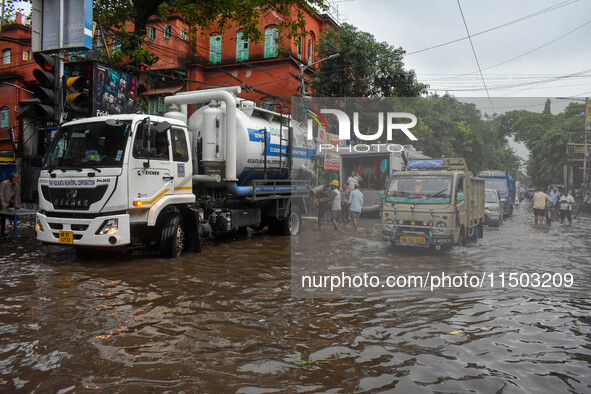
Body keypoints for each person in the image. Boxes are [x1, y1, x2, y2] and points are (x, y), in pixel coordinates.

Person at [0, 173, 21, 237]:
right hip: (1, 202)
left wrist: (16, 205)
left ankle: (2, 232)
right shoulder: (4, 183)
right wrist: (3, 203)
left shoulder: (16, 186)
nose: (18, 180)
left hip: (7, 204)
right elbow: (0, 194)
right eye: (17, 178)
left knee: (4, 218)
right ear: (12, 178)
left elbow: (15, 197)